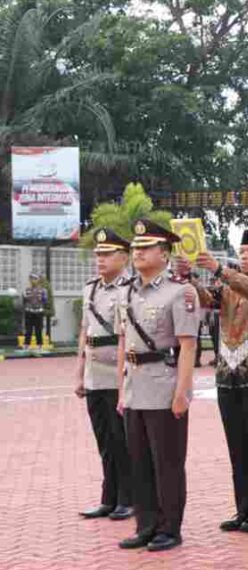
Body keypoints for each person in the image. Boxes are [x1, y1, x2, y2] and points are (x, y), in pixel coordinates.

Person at [184, 229, 248, 534]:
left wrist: (220, 270)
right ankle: (243, 507)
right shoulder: (227, 282)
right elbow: (207, 300)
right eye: (241, 251)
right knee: (237, 445)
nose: (244, 256)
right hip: (228, 374)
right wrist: (190, 276)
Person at [116, 220, 200, 552]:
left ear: (164, 253)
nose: (137, 252)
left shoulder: (181, 291)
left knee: (167, 463)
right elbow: (126, 341)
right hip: (135, 387)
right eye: (136, 247)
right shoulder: (127, 290)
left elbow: (188, 346)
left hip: (164, 386)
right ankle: (146, 524)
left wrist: (183, 392)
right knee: (139, 462)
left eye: (145, 247)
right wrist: (122, 389)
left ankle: (170, 528)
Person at [75, 228, 133, 522]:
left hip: (118, 372)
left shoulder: (130, 287)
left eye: (107, 254)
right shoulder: (91, 288)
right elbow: (85, 331)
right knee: (103, 440)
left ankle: (128, 498)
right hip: (94, 372)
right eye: (98, 254)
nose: (100, 259)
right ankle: (108, 498)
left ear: (124, 257)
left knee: (120, 437)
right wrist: (78, 373)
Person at [21, 273, 48, 349]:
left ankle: (39, 345)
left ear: (38, 280)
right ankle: (26, 345)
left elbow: (45, 301)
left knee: (38, 330)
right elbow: (24, 301)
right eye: (31, 279)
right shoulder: (26, 290)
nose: (33, 281)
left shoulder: (43, 290)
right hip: (29, 312)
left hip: (39, 312)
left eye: (35, 279)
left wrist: (41, 297)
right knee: (28, 330)